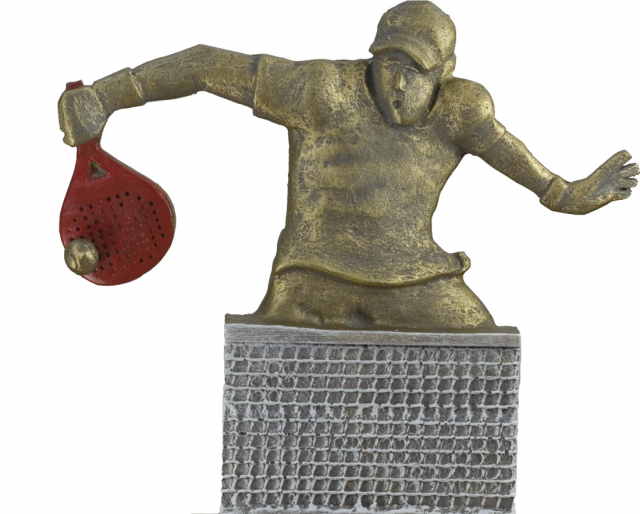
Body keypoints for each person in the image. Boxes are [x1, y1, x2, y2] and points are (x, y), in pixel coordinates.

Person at [58, 1, 637, 331]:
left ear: (446, 71)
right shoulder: (322, 90)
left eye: (414, 71)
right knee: (274, 376)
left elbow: (533, 174)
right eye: (388, 65)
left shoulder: (464, 111)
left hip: (417, 277)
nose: (397, 83)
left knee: (480, 349)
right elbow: (207, 65)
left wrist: (567, 194)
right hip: (311, 275)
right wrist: (108, 94)